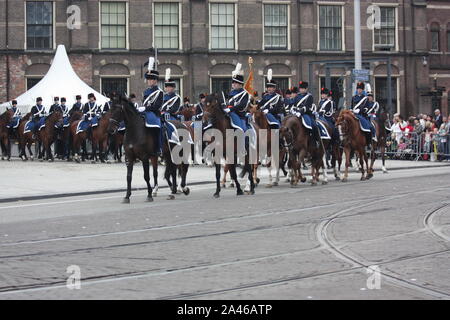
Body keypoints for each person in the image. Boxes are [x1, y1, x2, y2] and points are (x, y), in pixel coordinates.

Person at [138, 57, 164, 154]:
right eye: (148, 79)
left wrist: (146, 108)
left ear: (155, 81)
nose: (149, 81)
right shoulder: (146, 91)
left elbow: (157, 106)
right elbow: (144, 102)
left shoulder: (159, 92)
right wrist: (141, 108)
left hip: (154, 113)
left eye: (151, 79)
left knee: (156, 126)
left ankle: (158, 148)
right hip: (144, 112)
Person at [290, 81, 321, 147]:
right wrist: (294, 111)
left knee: (314, 125)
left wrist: (300, 112)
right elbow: (294, 105)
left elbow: (307, 107)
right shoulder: (297, 96)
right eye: (300, 88)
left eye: (303, 88)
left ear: (306, 89)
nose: (301, 90)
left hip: (306, 114)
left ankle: (316, 141)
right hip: (296, 114)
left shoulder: (309, 97)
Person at [223, 63, 251, 132]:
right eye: (233, 82)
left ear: (240, 84)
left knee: (243, 129)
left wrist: (231, 109)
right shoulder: (230, 93)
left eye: (236, 83)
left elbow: (242, 105)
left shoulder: (245, 94)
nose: (233, 84)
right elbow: (226, 102)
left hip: (240, 115)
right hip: (229, 115)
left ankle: (246, 142)